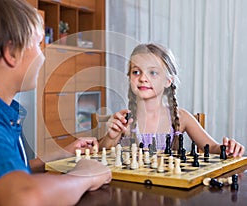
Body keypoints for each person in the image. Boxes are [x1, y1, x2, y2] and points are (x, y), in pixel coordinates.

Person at [0, 0, 111, 206]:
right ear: (11, 53)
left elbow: (6, 171)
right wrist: (84, 176)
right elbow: (23, 196)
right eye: (37, 44)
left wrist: (60, 155)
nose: (42, 56)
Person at [99, 43, 245, 157]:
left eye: (153, 72)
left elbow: (212, 148)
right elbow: (99, 153)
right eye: (136, 72)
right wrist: (111, 137)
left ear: (168, 81)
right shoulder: (124, 121)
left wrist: (228, 148)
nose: (143, 78)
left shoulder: (181, 118)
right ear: (129, 77)